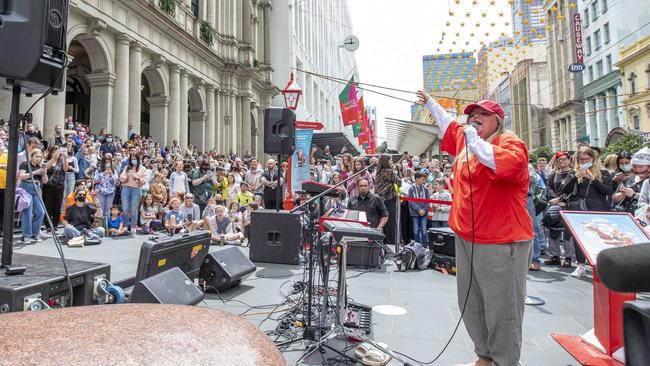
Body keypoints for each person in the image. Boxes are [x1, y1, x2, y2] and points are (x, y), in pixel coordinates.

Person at [418, 90, 533, 366]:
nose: (475, 118)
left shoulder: (509, 143)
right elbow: (450, 124)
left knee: (502, 308)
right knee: (471, 302)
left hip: (501, 240)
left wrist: (472, 140)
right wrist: (431, 103)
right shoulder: (468, 140)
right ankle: (485, 355)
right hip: (467, 236)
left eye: (483, 114)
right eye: (472, 114)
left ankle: (505, 361)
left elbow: (504, 163)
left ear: (498, 121)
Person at [562, 146, 613, 277]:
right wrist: (575, 178)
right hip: (578, 209)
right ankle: (580, 266)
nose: (584, 162)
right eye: (581, 160)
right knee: (579, 238)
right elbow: (564, 191)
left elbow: (608, 191)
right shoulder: (574, 173)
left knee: (599, 237)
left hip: (598, 209)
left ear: (593, 158)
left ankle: (599, 265)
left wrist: (593, 179)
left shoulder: (603, 172)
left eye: (587, 159)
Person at [18, 149, 49, 244]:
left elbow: (45, 181)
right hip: (26, 187)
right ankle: (26, 235)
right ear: (32, 156)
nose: (38, 159)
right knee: (28, 212)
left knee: (41, 212)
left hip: (37, 188)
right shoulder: (25, 164)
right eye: (37, 156)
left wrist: (44, 173)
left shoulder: (40, 166)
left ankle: (35, 233)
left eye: (40, 157)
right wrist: (36, 172)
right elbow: (22, 176)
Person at [373, 154, 401, 244]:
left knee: (382, 220)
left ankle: (382, 241)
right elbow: (399, 182)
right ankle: (391, 242)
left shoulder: (378, 171)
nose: (392, 162)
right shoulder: (389, 171)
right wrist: (397, 171)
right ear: (386, 161)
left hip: (380, 199)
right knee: (391, 222)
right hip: (389, 199)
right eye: (391, 160)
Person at [612, 148, 650, 214]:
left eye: (641, 167)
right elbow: (614, 199)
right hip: (624, 215)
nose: (638, 169)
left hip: (642, 217)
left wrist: (634, 194)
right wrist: (622, 194)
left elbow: (646, 200)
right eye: (635, 167)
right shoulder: (627, 179)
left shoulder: (648, 182)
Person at [119, 152, 147, 231]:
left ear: (138, 159)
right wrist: (126, 178)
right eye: (132, 159)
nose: (133, 160)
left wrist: (137, 178)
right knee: (125, 208)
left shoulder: (143, 168)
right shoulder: (127, 167)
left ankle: (133, 226)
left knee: (134, 209)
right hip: (126, 188)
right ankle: (125, 226)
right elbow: (121, 178)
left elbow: (144, 181)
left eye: (135, 159)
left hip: (136, 190)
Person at [42, 146, 68, 228]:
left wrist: (65, 158)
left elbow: (65, 169)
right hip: (48, 186)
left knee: (57, 205)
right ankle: (48, 225)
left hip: (59, 185)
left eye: (58, 152)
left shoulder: (61, 161)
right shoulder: (46, 161)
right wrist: (54, 158)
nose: (56, 154)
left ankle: (55, 224)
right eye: (54, 152)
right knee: (48, 205)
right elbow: (46, 167)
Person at [408, 172, 430, 245]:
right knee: (416, 229)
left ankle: (424, 245)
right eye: (422, 179)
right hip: (415, 213)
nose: (424, 181)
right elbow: (411, 201)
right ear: (417, 179)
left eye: (425, 180)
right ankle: (417, 244)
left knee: (424, 229)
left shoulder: (426, 189)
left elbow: (428, 201)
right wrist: (419, 209)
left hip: (424, 212)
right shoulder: (411, 189)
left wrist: (424, 210)